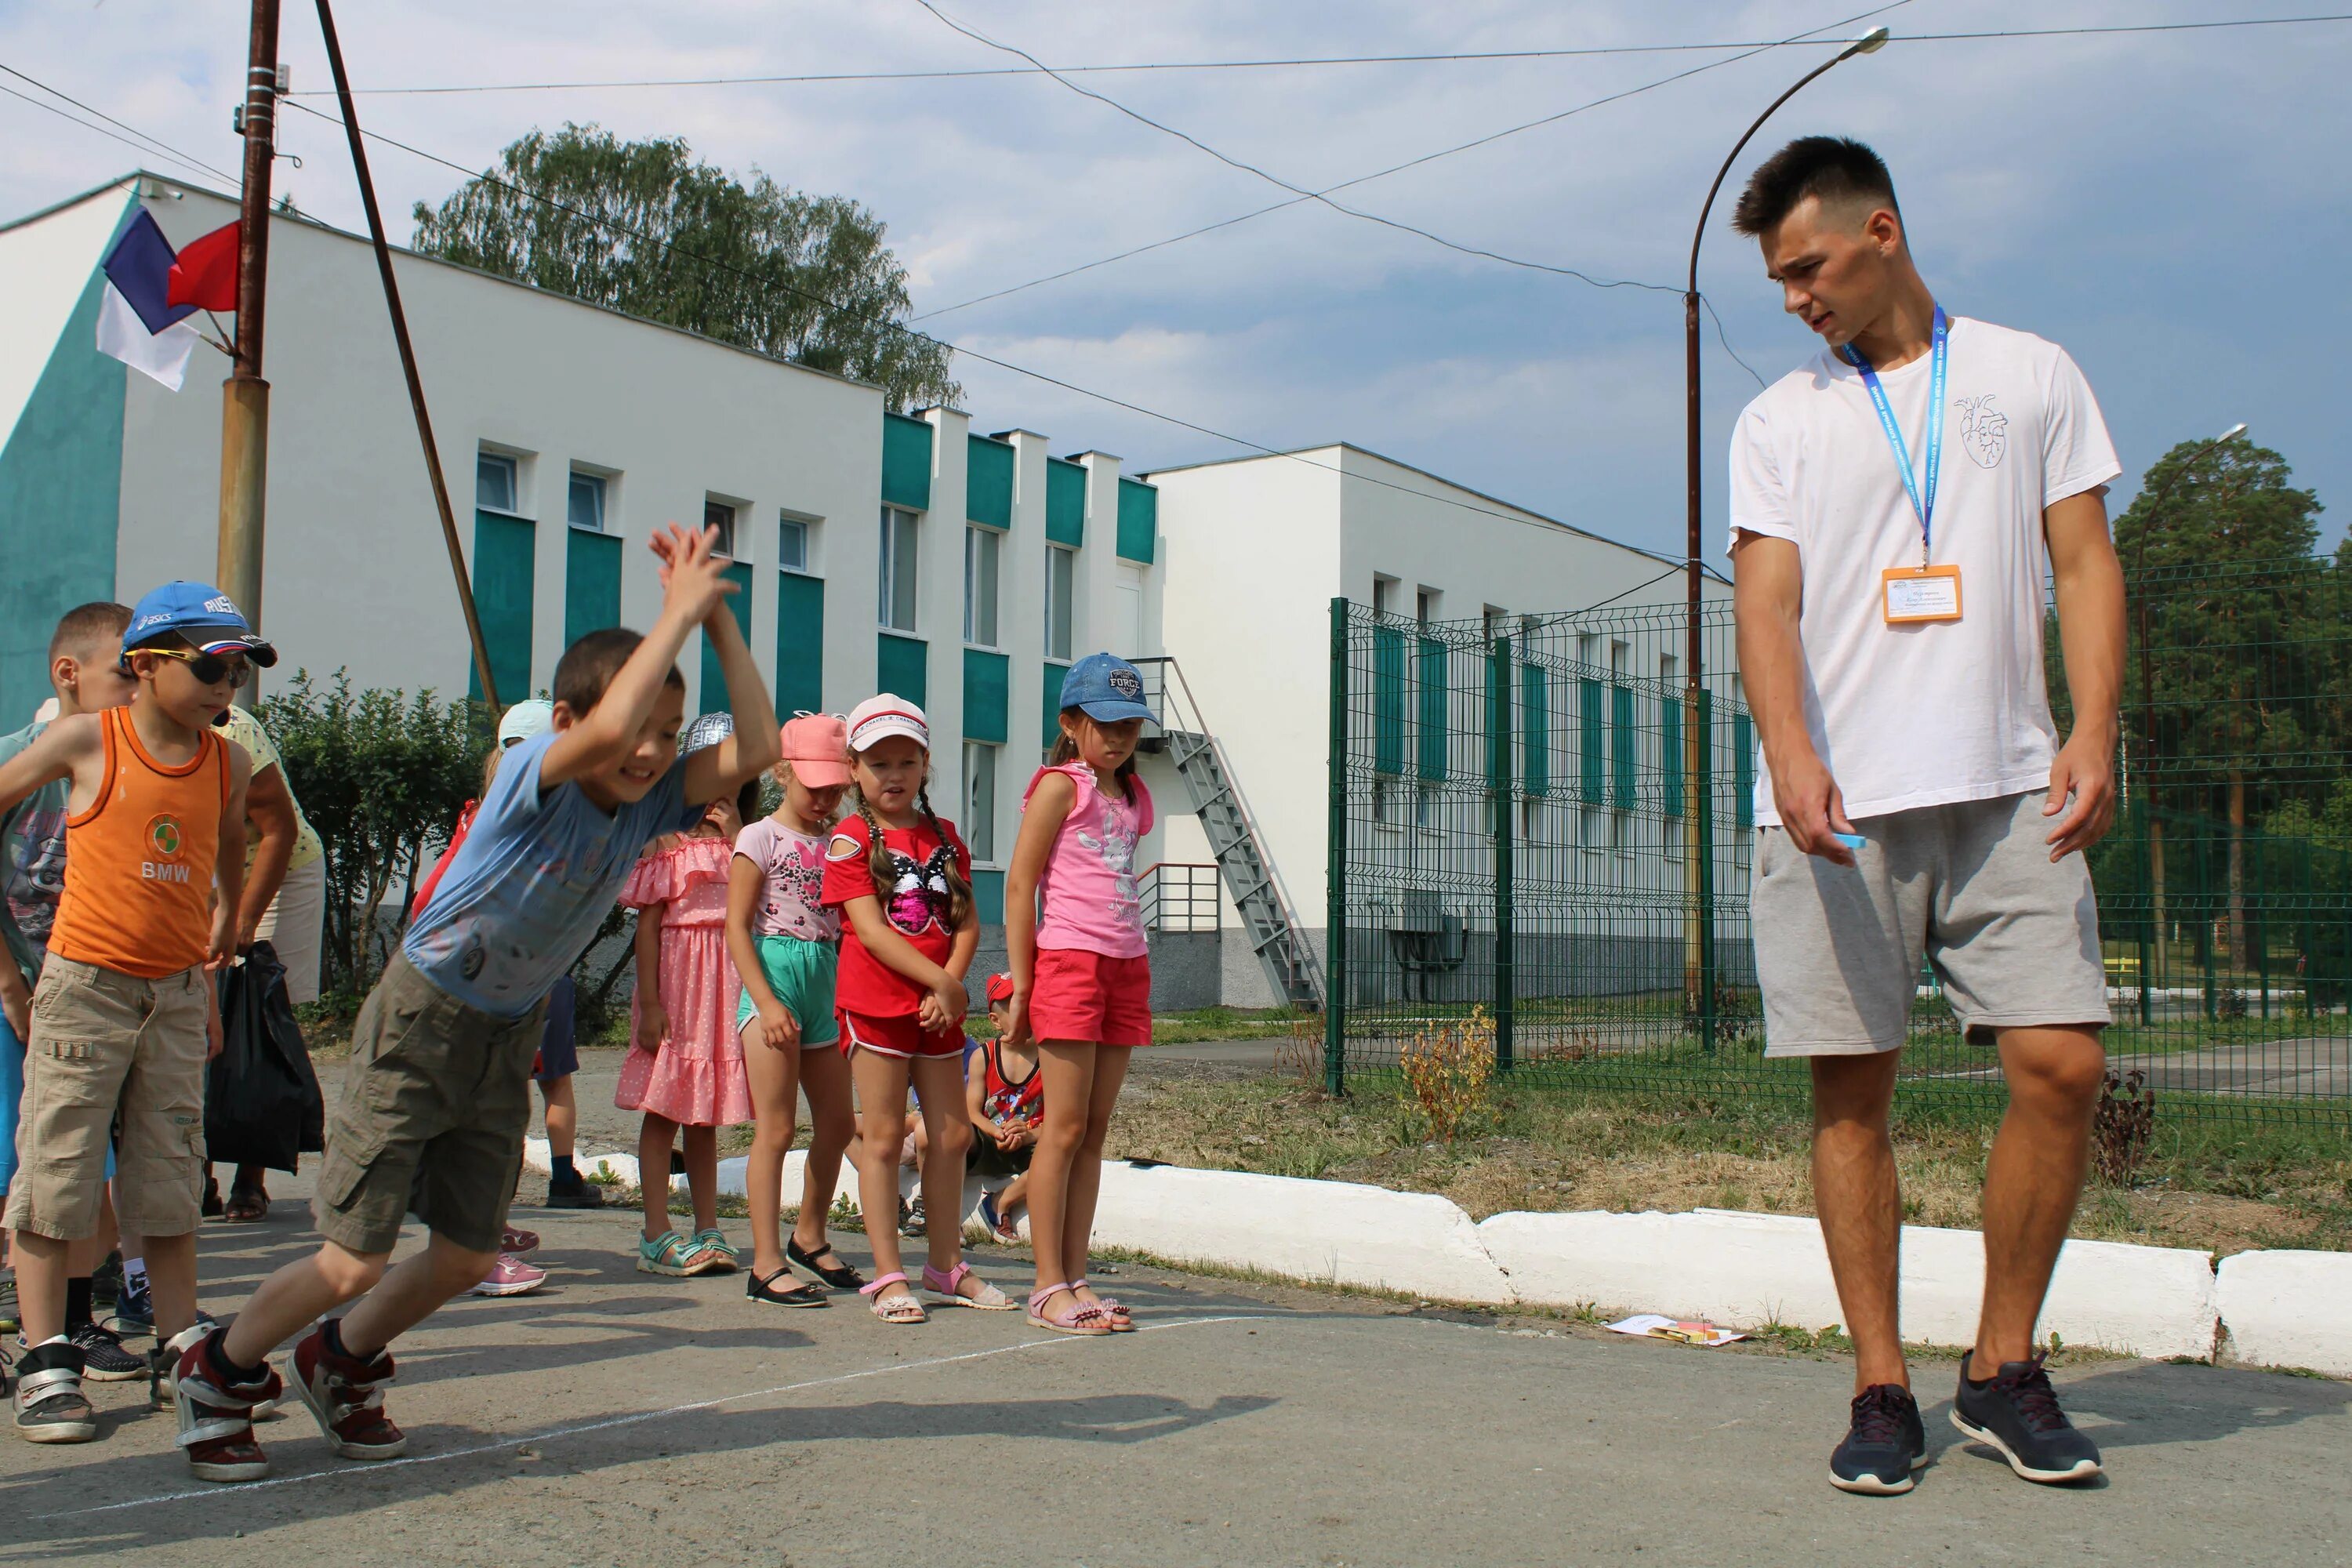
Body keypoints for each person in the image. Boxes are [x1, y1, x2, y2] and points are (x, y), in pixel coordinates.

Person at [169, 522, 778, 1483]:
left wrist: (717, 625)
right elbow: (612, 732)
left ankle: (340, 1358)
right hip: (421, 1016)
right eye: (638, 728)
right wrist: (672, 614)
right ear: (568, 721)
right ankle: (218, 1369)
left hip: (507, 1030)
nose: (654, 751)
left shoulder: (656, 803)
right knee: (352, 1256)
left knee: (462, 1251)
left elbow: (761, 744)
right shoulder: (534, 780)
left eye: (670, 733)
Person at [1726, 137, 2124, 1494]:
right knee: (1856, 1093)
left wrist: (2092, 727)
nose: (1795, 299)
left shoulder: (2029, 373)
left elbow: (2085, 560)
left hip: (2013, 785)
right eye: (1780, 280)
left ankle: (2002, 1368)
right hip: (1844, 808)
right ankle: (1882, 1387)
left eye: (1808, 267)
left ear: (1881, 230)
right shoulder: (1781, 419)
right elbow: (1764, 602)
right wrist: (1787, 752)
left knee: (2062, 1064)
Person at [0, 583, 260, 1443]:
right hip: (86, 985)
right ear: (144, 665)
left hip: (180, 989)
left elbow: (229, 837)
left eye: (242, 666)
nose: (229, 685)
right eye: (212, 664)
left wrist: (221, 928)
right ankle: (46, 1358)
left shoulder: (229, 760)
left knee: (170, 1168)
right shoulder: (85, 738)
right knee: (59, 1165)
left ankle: (178, 1342)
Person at [822, 695, 1009, 1323]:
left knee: (953, 1133)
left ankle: (944, 1265)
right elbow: (871, 932)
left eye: (906, 760)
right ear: (854, 768)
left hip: (936, 1009)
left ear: (926, 763)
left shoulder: (945, 837)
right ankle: (887, 1274)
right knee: (880, 1138)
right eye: (878, 763)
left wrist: (949, 986)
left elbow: (966, 923)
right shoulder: (849, 841)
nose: (893, 774)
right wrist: (944, 984)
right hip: (878, 1008)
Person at [0, 604, 141, 1387]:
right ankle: (37, 1326)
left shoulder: (129, 768)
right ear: (69, 674)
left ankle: (75, 1322)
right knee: (22, 1166)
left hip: (85, 998)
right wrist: (10, 983)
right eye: (128, 671)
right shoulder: (23, 762)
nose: (140, 689)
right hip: (14, 991)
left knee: (82, 1165)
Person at [1004, 653, 1157, 1337]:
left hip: (1126, 964)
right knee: (1060, 1130)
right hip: (1068, 961)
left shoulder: (1131, 795)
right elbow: (1018, 884)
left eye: (1128, 724)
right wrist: (1024, 981)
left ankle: (1076, 1275)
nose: (1117, 737)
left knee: (1093, 1132)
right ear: (1070, 723)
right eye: (1102, 723)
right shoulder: (1061, 787)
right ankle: (1045, 1287)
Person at [412, 698, 604, 1227]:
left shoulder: (478, 814)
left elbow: (431, 894)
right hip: (532, 970)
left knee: (488, 1093)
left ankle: (484, 1216)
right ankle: (551, 1185)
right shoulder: (560, 820)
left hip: (471, 970)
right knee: (546, 1083)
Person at [726, 713, 866, 1305]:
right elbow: (734, 928)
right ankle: (763, 1263)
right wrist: (763, 1000)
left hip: (824, 982)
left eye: (837, 788)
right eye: (816, 788)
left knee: (836, 1123)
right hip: (773, 984)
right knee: (777, 1130)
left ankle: (809, 1236)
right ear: (784, 772)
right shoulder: (758, 837)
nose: (826, 799)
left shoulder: (841, 840)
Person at [618, 712, 757, 1278]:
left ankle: (708, 1227)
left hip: (723, 990)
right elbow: (647, 928)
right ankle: (656, 1233)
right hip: (677, 989)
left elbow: (762, 908)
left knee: (706, 1118)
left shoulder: (748, 840)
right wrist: (650, 1004)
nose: (716, 788)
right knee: (663, 1110)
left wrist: (736, 837)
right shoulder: (665, 840)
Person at [203, 702, 325, 1225]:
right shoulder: (123, 728)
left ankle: (251, 1179)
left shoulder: (232, 729)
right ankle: (193, 1174)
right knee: (190, 1018)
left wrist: (243, 923)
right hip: (197, 873)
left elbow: (280, 830)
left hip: (276, 869)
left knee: (262, 1016)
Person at [968, 975, 1041, 1243]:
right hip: (991, 1140)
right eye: (1014, 1006)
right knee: (954, 1136)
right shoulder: (984, 1056)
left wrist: (1029, 1135)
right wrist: (996, 1131)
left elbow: (1060, 1121)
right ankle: (940, 1211)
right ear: (995, 1020)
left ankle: (1000, 1203)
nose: (1024, 1011)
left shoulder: (1050, 1057)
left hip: (1030, 1141)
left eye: (1029, 1002)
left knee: (1062, 1157)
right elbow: (972, 1112)